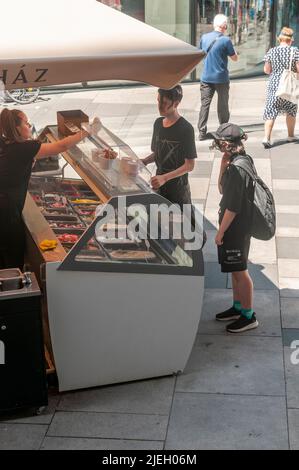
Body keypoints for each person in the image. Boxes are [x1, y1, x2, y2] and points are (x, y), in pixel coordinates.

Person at [0, 108, 97, 270]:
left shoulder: (6, 143)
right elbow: (61, 146)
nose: (29, 125)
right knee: (11, 258)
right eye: (26, 122)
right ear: (17, 128)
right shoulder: (24, 148)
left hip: (6, 206)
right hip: (7, 212)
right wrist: (87, 131)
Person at [211, 123, 258, 334]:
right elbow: (222, 189)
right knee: (234, 269)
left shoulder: (238, 169)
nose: (217, 147)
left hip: (236, 228)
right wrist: (223, 164)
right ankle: (237, 307)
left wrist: (220, 232)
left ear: (226, 144)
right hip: (236, 226)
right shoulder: (240, 160)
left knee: (240, 271)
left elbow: (232, 206)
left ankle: (248, 316)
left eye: (219, 144)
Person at [142, 85, 197, 211]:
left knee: (183, 226)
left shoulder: (186, 129)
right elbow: (159, 153)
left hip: (178, 191)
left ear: (176, 103)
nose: (160, 106)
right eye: (158, 101)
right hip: (159, 186)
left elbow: (190, 165)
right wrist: (145, 161)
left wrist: (165, 178)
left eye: (165, 102)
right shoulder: (158, 124)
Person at [197, 14, 238, 141]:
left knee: (205, 105)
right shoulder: (226, 40)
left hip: (206, 77)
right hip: (221, 78)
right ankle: (224, 130)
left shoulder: (204, 37)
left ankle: (202, 132)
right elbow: (234, 58)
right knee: (223, 105)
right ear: (224, 26)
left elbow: (200, 53)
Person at [263, 27, 299, 148]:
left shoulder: (271, 51)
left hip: (274, 86)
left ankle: (266, 138)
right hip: (289, 87)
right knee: (291, 111)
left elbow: (267, 70)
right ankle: (290, 135)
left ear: (280, 39)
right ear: (290, 40)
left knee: (271, 111)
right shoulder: (295, 51)